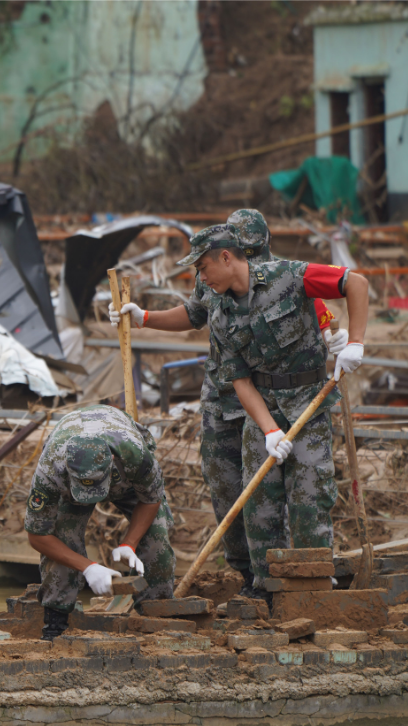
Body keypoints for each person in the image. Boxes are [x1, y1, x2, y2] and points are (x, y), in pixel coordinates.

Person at [109, 209, 347, 597]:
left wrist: (338, 338)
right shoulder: (213, 280)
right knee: (230, 490)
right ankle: (252, 575)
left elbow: (316, 310)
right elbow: (193, 313)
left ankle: (297, 574)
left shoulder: (278, 276)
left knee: (289, 489)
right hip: (227, 397)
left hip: (276, 396)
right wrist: (144, 318)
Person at [189, 224, 367, 600]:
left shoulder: (289, 276)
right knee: (260, 503)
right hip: (262, 410)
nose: (200, 278)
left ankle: (313, 585)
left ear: (226, 257)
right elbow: (239, 381)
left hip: (309, 402)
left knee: (308, 497)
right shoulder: (220, 315)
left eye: (204, 267)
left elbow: (356, 283)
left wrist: (355, 342)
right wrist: (269, 431)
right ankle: (265, 588)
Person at [25, 405, 173, 640]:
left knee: (156, 541)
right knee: (62, 539)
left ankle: (156, 621)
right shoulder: (51, 468)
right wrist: (88, 566)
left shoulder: (134, 453)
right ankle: (56, 623)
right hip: (68, 488)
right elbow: (38, 535)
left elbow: (151, 499)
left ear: (112, 459)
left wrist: (129, 544)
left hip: (125, 478)